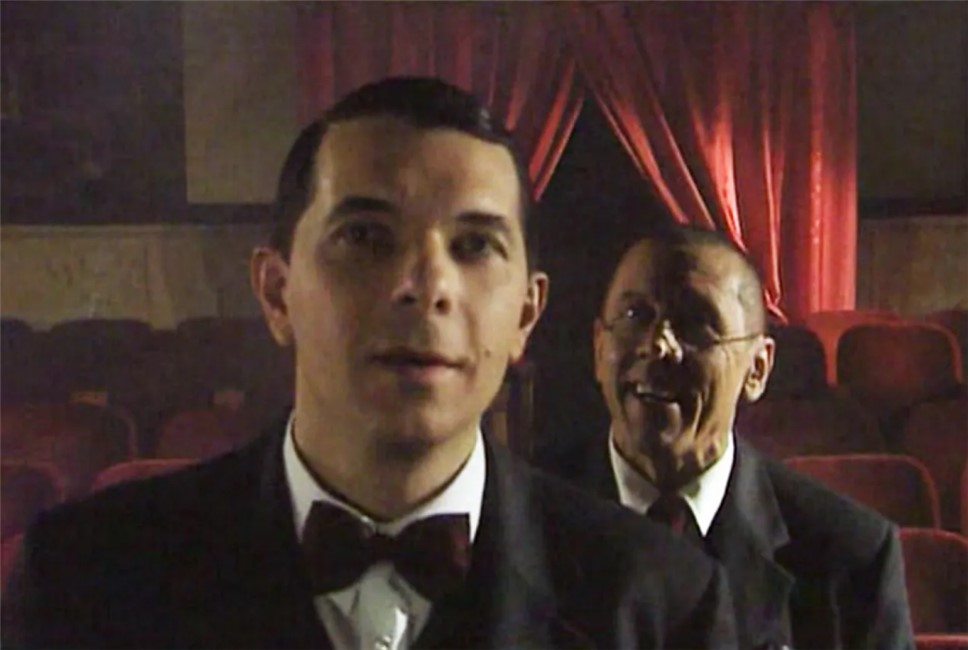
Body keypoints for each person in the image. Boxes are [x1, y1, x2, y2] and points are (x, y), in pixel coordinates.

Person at [2, 78, 737, 649]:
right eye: (365, 238)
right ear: (277, 292)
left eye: (475, 246)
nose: (427, 285)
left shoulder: (660, 601)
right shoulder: (89, 574)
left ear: (525, 315)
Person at [541, 223, 915, 649]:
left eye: (695, 324)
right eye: (635, 316)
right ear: (597, 347)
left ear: (757, 368)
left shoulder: (851, 558)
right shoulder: (515, 523)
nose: (658, 345)